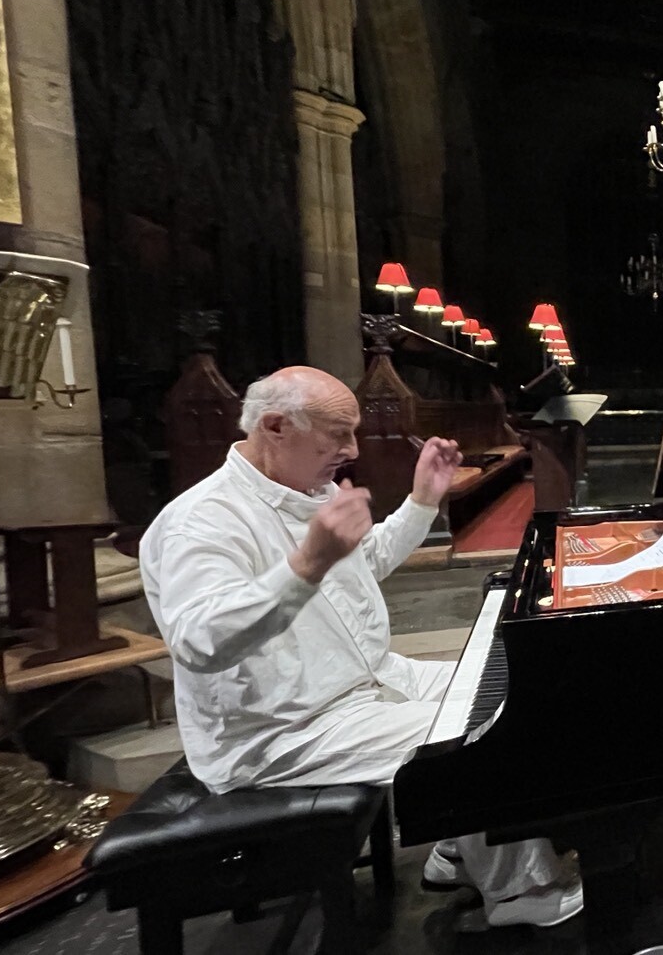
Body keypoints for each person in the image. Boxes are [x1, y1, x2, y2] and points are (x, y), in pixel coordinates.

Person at [140, 366, 583, 931]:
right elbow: (200, 641)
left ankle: (460, 847)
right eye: (337, 434)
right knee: (474, 737)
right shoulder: (201, 523)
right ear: (276, 426)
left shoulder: (305, 490)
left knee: (512, 690)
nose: (351, 450)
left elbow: (363, 562)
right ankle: (521, 892)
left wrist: (423, 500)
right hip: (282, 727)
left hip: (361, 679)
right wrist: (307, 563)